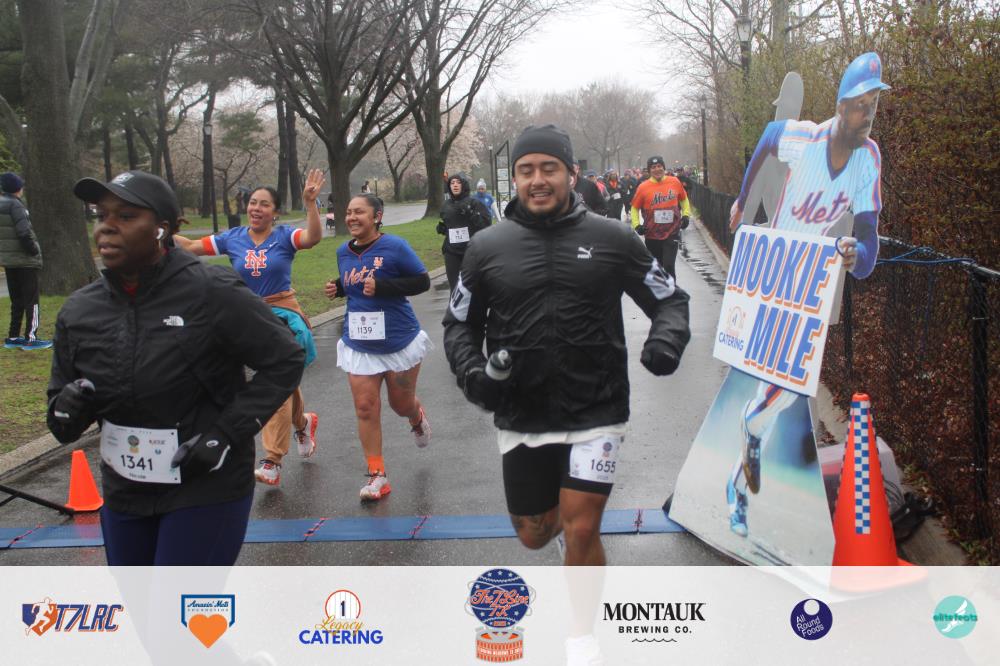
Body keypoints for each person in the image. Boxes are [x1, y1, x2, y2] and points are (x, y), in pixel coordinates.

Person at [443, 124, 691, 566]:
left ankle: (582, 606)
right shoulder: (486, 248)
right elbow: (459, 325)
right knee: (534, 533)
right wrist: (473, 372)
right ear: (514, 178)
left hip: (597, 408)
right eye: (526, 170)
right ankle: (561, 530)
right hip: (522, 410)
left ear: (571, 174)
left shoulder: (613, 238)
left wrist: (665, 341)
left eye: (549, 168)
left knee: (581, 527)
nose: (537, 179)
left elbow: (669, 300)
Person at [49, 170, 303, 565]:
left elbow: (285, 359)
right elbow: (61, 419)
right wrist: (66, 409)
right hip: (125, 491)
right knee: (139, 604)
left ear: (162, 229)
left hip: (204, 487)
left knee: (176, 604)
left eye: (126, 216)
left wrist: (223, 435)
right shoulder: (79, 310)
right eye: (101, 216)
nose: (106, 227)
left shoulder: (211, 290)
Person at [725, 53, 889, 537]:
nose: (867, 115)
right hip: (774, 271)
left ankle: (739, 485)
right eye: (860, 104)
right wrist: (741, 200)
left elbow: (868, 243)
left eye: (874, 105)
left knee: (783, 390)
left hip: (809, 284)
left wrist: (857, 253)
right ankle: (744, 467)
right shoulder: (806, 137)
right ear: (840, 106)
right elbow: (767, 139)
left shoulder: (868, 158)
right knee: (780, 386)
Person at [174, 171, 326, 486]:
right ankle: (303, 423)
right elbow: (189, 247)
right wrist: (160, 226)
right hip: (247, 316)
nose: (256, 208)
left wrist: (311, 203)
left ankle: (272, 460)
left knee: (273, 384)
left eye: (264, 204)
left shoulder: (284, 236)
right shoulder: (233, 238)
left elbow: (312, 238)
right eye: (253, 203)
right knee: (283, 382)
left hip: (282, 314)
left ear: (275, 212)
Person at [324, 194, 432, 501]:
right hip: (359, 342)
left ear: (377, 216)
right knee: (365, 407)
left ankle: (416, 417)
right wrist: (338, 287)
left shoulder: (395, 247)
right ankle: (377, 474)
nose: (352, 217)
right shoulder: (342, 251)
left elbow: (422, 281)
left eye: (359, 212)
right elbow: (354, 283)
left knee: (401, 405)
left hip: (398, 340)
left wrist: (384, 287)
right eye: (348, 212)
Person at [1, 172, 51, 350]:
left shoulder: (1, 204)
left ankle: (13, 336)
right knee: (32, 300)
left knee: (17, 300)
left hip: (9, 261)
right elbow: (23, 232)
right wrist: (33, 250)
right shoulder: (16, 205)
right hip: (25, 260)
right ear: (17, 188)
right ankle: (31, 337)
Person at [630, 156, 691, 280]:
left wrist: (686, 215)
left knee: (669, 266)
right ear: (649, 170)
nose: (657, 169)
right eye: (653, 167)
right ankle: (662, 290)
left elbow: (684, 199)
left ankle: (672, 291)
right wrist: (637, 225)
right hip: (652, 234)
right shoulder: (643, 187)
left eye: (659, 166)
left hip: (672, 232)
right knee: (657, 268)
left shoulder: (674, 181)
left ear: (663, 167)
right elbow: (634, 208)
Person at [437, 173, 492, 292]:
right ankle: (454, 304)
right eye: (452, 183)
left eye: (458, 182)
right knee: (455, 288)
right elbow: (450, 224)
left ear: (464, 185)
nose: (455, 185)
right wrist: (443, 229)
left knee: (472, 287)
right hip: (451, 251)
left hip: (470, 251)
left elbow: (486, 224)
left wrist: (472, 213)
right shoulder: (446, 205)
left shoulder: (474, 203)